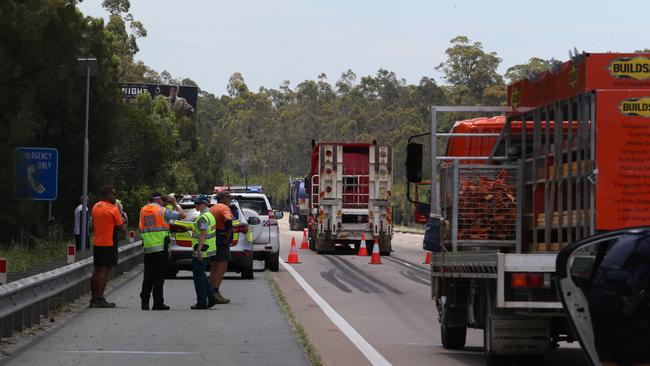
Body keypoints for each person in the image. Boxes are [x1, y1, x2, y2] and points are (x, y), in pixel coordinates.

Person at [589, 232, 650, 366]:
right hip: (619, 300)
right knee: (641, 357)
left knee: (610, 356)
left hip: (598, 296)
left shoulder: (633, 236)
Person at [139, 192, 186, 310]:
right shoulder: (162, 211)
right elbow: (182, 215)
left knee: (148, 276)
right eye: (163, 200)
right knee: (158, 277)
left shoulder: (143, 210)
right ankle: (158, 303)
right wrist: (174, 202)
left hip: (148, 248)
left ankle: (144, 303)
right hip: (161, 248)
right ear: (158, 200)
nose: (165, 202)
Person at [89, 185, 124, 308]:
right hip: (108, 243)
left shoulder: (95, 206)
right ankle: (100, 298)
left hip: (97, 242)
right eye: (113, 194)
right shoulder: (113, 209)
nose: (114, 196)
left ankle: (93, 299)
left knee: (96, 270)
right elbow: (120, 225)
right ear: (107, 195)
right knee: (104, 270)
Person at [190, 194, 217, 310]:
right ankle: (211, 296)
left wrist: (199, 250)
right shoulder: (209, 215)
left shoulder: (203, 218)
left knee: (199, 278)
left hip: (202, 250)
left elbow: (203, 233)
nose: (196, 205)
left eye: (198, 203)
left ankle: (202, 302)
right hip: (208, 249)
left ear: (205, 203)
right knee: (201, 275)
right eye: (195, 203)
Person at [208, 191, 234, 304]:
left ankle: (211, 291)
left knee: (215, 266)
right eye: (229, 197)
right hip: (221, 239)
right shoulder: (224, 208)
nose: (230, 200)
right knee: (222, 266)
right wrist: (228, 234)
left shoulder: (213, 208)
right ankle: (214, 292)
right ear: (223, 198)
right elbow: (228, 220)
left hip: (213, 238)